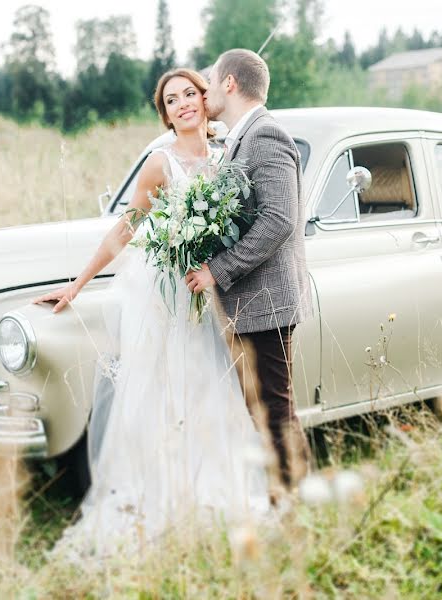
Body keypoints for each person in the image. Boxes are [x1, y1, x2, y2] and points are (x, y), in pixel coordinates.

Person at [33, 68, 269, 559]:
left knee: (210, 390)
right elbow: (126, 228)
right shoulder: (160, 163)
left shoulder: (228, 158)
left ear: (205, 101)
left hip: (209, 298)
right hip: (166, 297)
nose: (183, 104)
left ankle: (210, 498)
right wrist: (77, 284)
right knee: (160, 395)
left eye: (189, 94)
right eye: (171, 99)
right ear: (164, 113)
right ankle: (154, 502)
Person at [187, 49, 314, 493]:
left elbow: (279, 220)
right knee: (260, 408)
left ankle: (297, 506)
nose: (203, 89)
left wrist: (217, 270)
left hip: (267, 301)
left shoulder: (266, 136)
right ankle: (275, 496)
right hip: (248, 302)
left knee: (277, 411)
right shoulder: (240, 138)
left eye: (209, 79)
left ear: (230, 84)